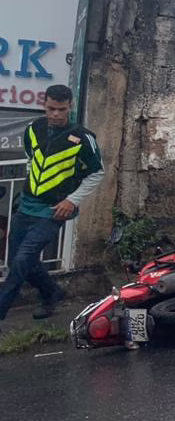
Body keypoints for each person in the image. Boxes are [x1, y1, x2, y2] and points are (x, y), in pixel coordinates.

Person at [0, 86, 103, 332]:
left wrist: (72, 200)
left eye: (61, 109)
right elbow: (30, 158)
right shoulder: (33, 129)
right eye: (51, 109)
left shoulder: (82, 137)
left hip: (54, 210)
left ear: (70, 106)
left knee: (23, 259)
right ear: (43, 104)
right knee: (17, 260)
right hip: (26, 204)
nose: (56, 114)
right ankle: (51, 292)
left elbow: (97, 172)